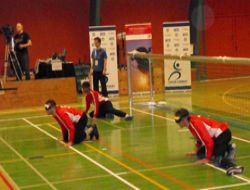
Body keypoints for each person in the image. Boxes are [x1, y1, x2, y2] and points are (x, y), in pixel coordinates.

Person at [174, 108, 244, 176]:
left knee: (217, 162)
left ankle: (234, 167)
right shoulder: (190, 124)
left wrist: (207, 158)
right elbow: (199, 139)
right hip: (216, 138)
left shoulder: (195, 124)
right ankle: (229, 147)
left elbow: (208, 142)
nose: (177, 122)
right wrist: (196, 151)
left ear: (185, 119)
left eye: (178, 120)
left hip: (222, 135)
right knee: (200, 153)